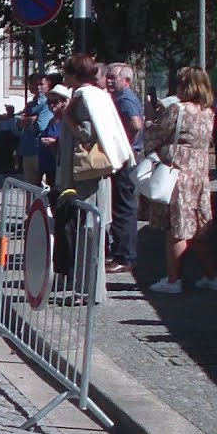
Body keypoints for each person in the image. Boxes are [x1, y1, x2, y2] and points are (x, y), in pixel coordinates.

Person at [55, 53, 134, 305]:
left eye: (66, 72)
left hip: (87, 176)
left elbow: (87, 134)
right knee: (91, 230)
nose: (64, 77)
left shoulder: (82, 97)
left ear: (75, 74)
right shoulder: (99, 95)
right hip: (96, 175)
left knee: (88, 230)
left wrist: (65, 116)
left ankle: (89, 291)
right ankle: (88, 289)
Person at [141, 67, 217, 293]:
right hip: (199, 174)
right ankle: (211, 275)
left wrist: (149, 122)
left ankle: (173, 280)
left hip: (178, 173)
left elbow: (156, 135)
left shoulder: (177, 109)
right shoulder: (207, 112)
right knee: (199, 228)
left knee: (176, 228)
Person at [105, 62, 145, 274]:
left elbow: (136, 124)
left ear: (126, 81)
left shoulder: (125, 99)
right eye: (108, 77)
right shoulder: (118, 98)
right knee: (120, 206)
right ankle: (120, 252)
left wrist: (124, 144)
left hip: (126, 158)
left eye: (114, 77)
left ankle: (125, 256)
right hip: (126, 156)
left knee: (124, 208)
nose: (109, 81)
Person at [17, 73, 54, 187]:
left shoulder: (48, 103)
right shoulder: (30, 105)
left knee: (42, 187)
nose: (38, 87)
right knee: (29, 187)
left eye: (41, 84)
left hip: (40, 150)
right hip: (27, 149)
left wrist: (26, 120)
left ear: (48, 85)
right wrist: (30, 119)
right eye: (34, 84)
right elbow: (17, 123)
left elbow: (40, 125)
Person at [37, 84, 71, 184]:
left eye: (55, 102)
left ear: (65, 101)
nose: (51, 105)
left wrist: (55, 143)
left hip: (60, 169)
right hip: (46, 167)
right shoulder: (52, 120)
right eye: (49, 102)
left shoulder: (67, 121)